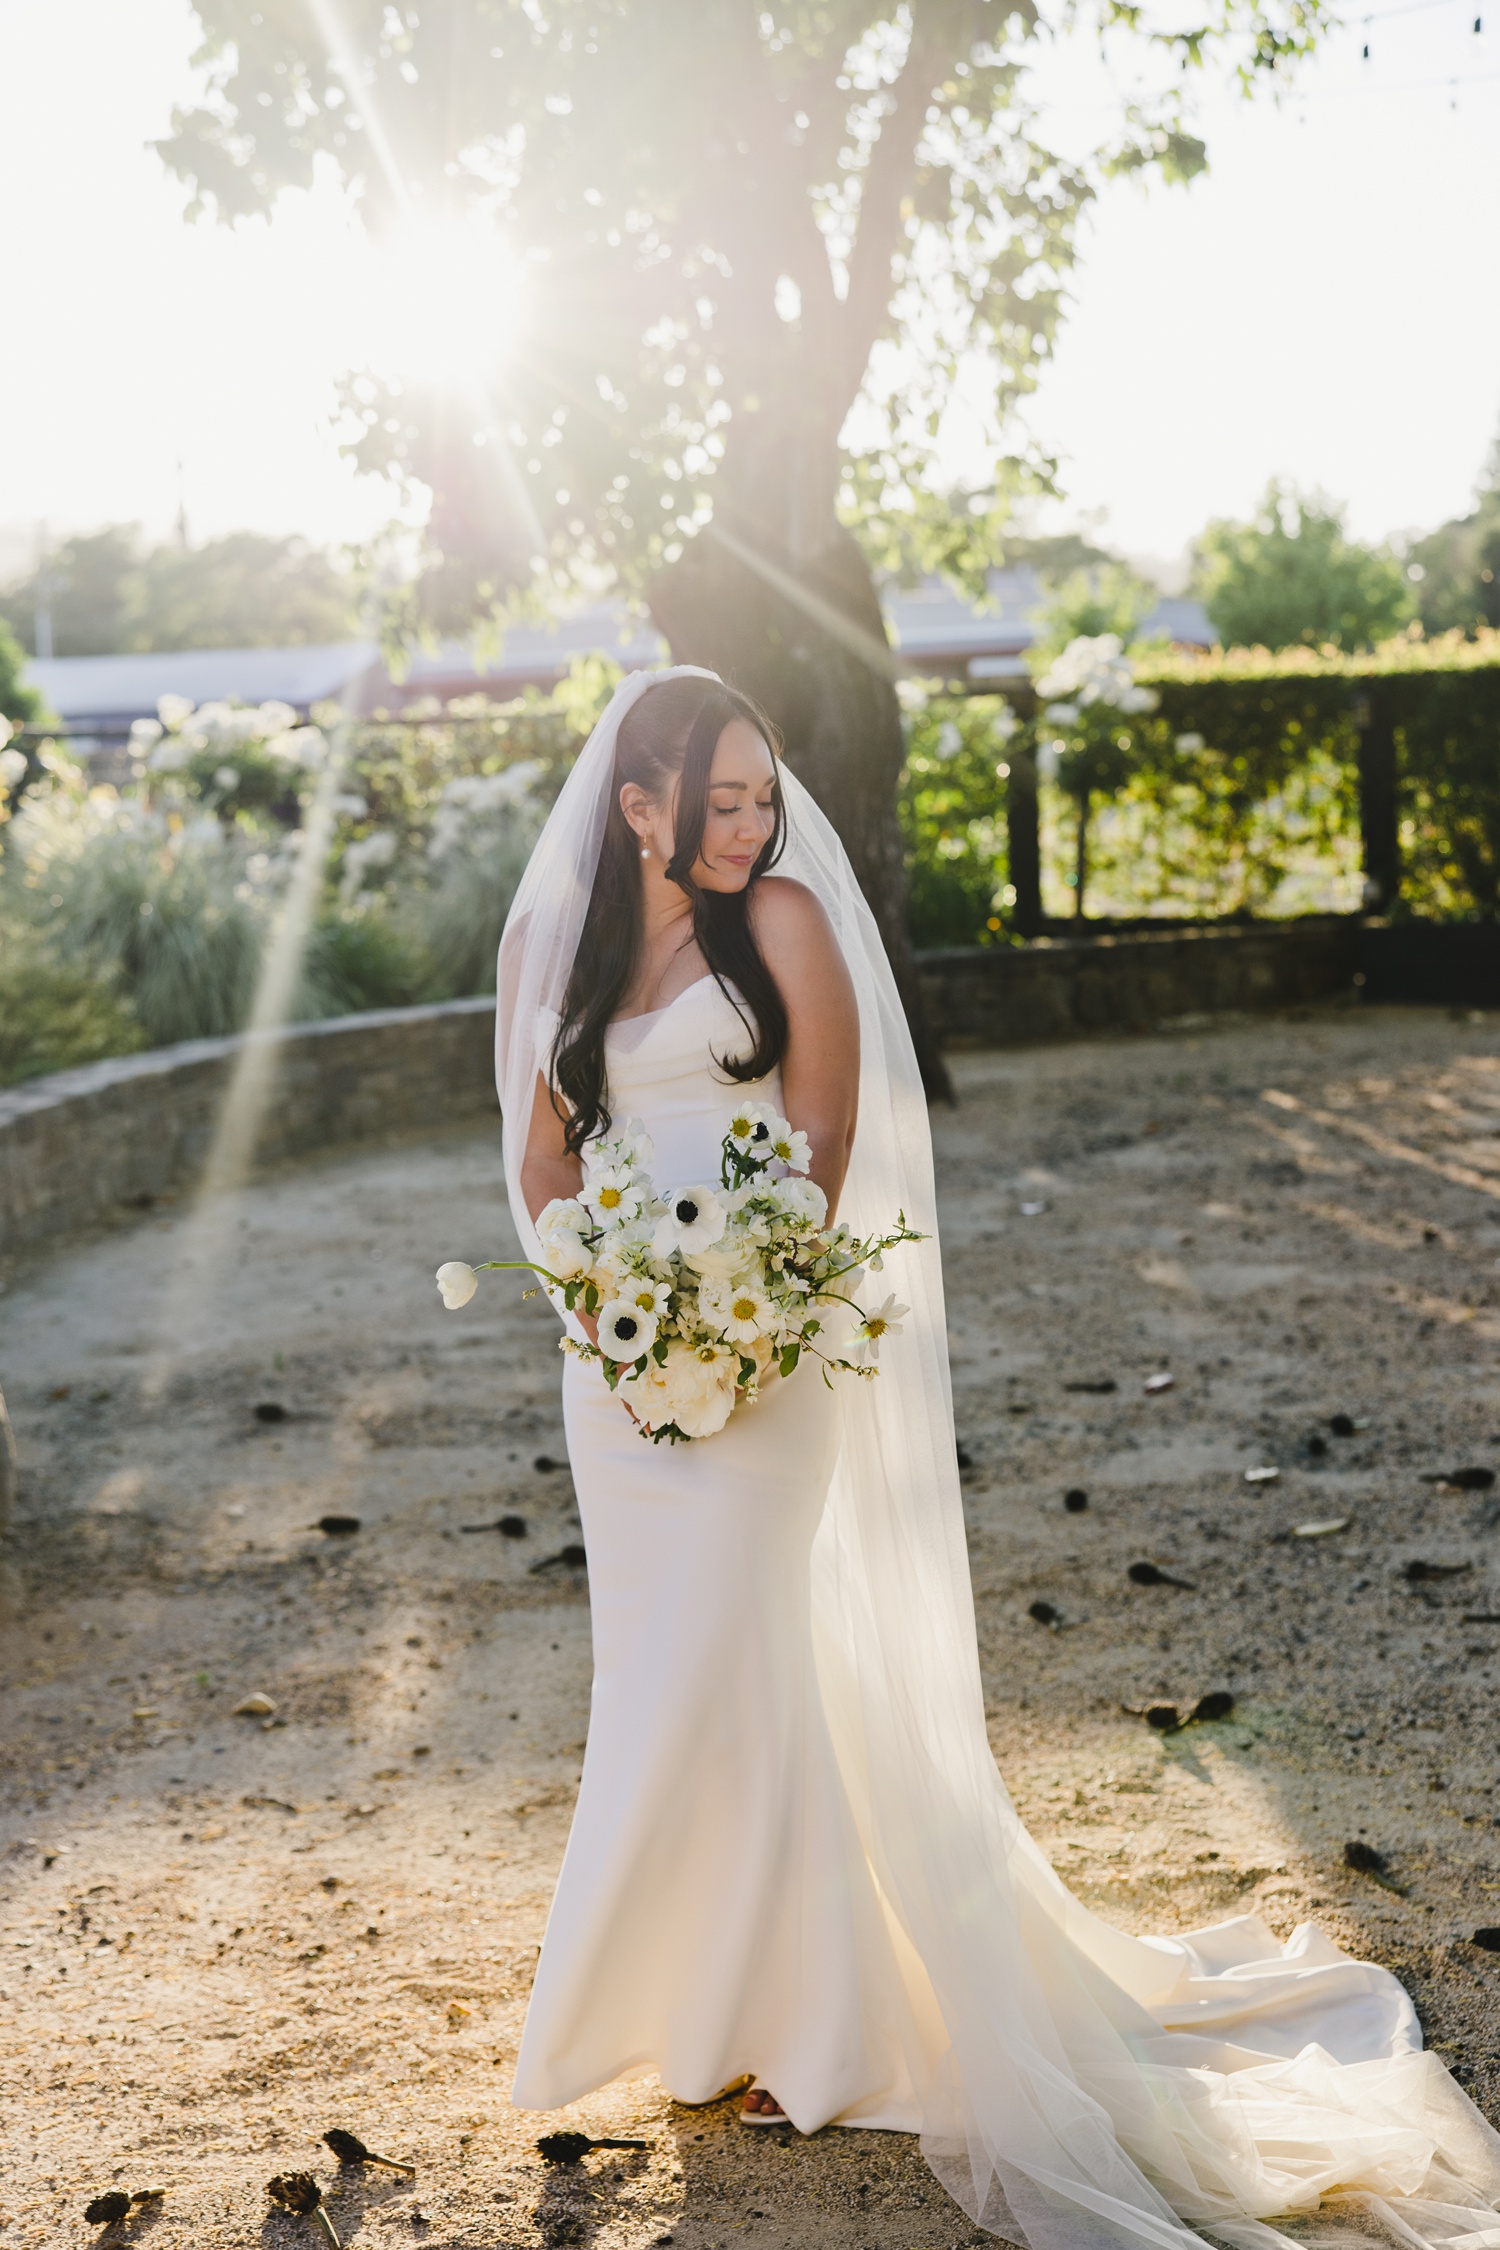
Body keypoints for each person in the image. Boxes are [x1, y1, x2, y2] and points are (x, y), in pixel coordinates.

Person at [497, 667, 1500, 2250]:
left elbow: (827, 1136)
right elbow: (544, 1156)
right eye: (725, 802)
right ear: (637, 808)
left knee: (747, 1663)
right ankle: (701, 2006)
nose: (755, 826)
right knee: (659, 1677)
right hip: (616, 1374)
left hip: (770, 1351)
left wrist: (747, 1310)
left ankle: (817, 2029)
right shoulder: (573, 954)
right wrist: (608, 1307)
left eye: (766, 795)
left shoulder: (794, 930)